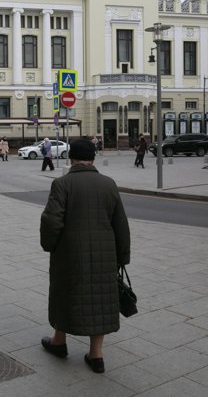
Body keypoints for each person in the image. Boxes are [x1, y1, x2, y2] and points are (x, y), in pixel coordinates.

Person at [39, 139, 131, 373]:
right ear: (93, 158)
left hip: (69, 254)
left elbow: (51, 220)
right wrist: (122, 256)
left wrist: (49, 245)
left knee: (65, 293)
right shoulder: (109, 184)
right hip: (104, 255)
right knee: (99, 300)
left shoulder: (62, 184)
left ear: (71, 158)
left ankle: (59, 342)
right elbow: (121, 224)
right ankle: (96, 355)